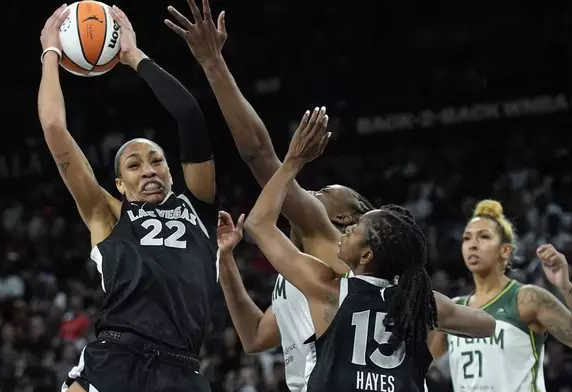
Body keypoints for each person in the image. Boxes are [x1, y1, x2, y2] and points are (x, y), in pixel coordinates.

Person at [165, 2, 373, 390]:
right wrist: (226, 260)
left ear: (347, 218)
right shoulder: (301, 266)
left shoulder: (327, 236)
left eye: (324, 192)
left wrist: (212, 63)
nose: (310, 193)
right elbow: (255, 337)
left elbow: (258, 155)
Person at [222, 108, 496, 392]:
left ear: (367, 255)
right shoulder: (421, 301)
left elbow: (258, 223)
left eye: (355, 230)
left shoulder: (328, 289)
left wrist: (294, 160)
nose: (348, 231)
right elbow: (487, 325)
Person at [39, 5, 218, 392]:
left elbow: (189, 115)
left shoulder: (198, 206)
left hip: (182, 371)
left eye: (157, 161)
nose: (149, 170)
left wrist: (134, 56)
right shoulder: (106, 214)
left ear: (172, 171)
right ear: (120, 184)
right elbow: (54, 129)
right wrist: (50, 53)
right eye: (134, 166)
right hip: (116, 358)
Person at [430, 199, 572, 392]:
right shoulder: (454, 309)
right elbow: (420, 365)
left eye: (484, 237)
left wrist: (565, 287)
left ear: (505, 251)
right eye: (467, 238)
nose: (472, 245)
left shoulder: (526, 298)